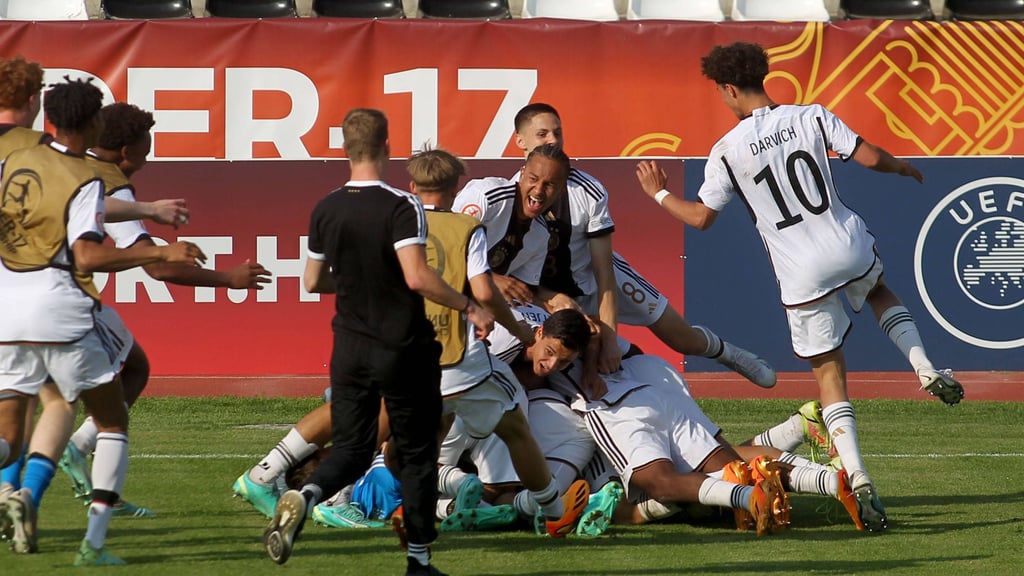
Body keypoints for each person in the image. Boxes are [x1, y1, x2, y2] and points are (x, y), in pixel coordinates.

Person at [635, 42, 966, 532]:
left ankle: (856, 475)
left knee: (831, 379)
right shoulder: (810, 115)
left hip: (801, 273)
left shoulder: (727, 151)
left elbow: (702, 218)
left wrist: (658, 192)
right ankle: (923, 365)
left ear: (728, 89)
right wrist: (901, 167)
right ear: (761, 76)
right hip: (847, 243)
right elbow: (868, 155)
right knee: (878, 292)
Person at [262, 109, 493, 576]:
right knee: (416, 453)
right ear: (388, 147)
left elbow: (312, 281)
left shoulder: (325, 207)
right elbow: (416, 276)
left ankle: (304, 495)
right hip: (402, 347)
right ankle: (419, 561)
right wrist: (469, 306)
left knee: (350, 448)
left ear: (346, 150)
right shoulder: (399, 206)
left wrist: (357, 280)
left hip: (349, 348)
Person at [0, 77, 205, 564]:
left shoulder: (13, 162)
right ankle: (92, 546)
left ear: (48, 116)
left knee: (13, 434)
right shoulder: (84, 178)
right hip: (61, 313)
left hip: (6, 311)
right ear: (93, 123)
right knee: (111, 421)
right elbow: (88, 256)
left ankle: (21, 494)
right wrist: (158, 249)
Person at [48, 102, 271, 515]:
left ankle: (69, 459)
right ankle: (88, 486)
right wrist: (228, 279)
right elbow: (159, 267)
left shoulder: (58, 162)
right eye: (147, 145)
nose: (149, 155)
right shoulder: (109, 182)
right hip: (59, 297)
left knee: (113, 373)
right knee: (76, 402)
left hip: (20, 293)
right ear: (129, 150)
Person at [506, 103, 776, 389]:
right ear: (520, 141)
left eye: (557, 133)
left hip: (599, 276)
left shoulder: (587, 191)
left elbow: (604, 273)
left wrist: (609, 339)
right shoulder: (506, 194)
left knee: (681, 339)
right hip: (551, 294)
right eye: (542, 134)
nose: (552, 140)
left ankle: (728, 353)